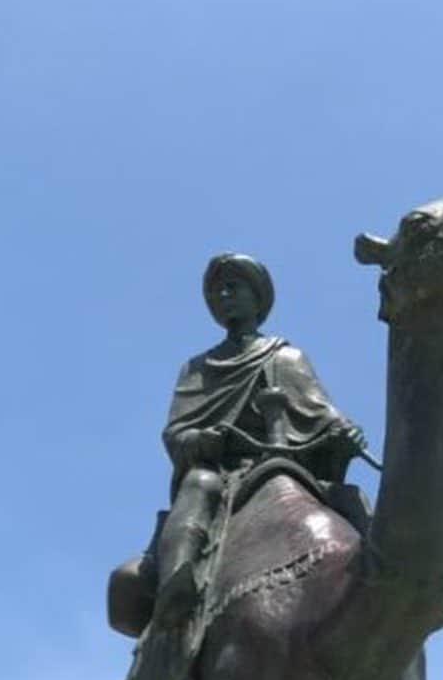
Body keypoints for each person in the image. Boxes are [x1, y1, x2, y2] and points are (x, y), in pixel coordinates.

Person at [153, 253, 366, 626]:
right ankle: (177, 588)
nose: (224, 295)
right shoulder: (197, 369)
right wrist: (202, 439)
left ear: (257, 297)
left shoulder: (287, 357)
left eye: (233, 287)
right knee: (198, 484)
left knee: (355, 502)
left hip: (289, 461)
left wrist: (344, 432)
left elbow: (321, 412)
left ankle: (401, 579)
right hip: (224, 472)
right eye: (218, 290)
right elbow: (176, 434)